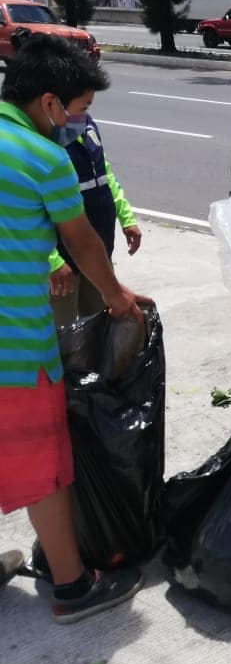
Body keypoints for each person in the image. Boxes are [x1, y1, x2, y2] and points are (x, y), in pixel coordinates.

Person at [0, 35, 147, 623]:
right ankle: (72, 588)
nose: (80, 121)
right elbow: (83, 239)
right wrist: (116, 298)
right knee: (44, 470)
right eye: (78, 108)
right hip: (15, 348)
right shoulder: (41, 157)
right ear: (48, 103)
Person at [48, 109, 142, 327]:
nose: (85, 110)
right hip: (61, 263)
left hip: (97, 251)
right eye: (81, 104)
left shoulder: (85, 124)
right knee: (60, 336)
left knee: (99, 327)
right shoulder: (42, 138)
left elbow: (105, 174)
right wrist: (52, 260)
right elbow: (28, 210)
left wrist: (126, 218)